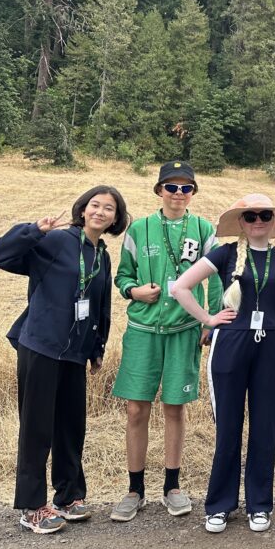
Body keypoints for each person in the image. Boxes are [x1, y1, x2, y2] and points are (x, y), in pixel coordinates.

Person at [0, 186, 129, 534]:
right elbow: (1, 256)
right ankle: (31, 506)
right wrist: (34, 230)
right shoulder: (57, 241)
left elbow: (100, 304)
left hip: (74, 352)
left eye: (108, 208)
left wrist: (97, 347)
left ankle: (69, 496)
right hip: (40, 344)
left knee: (70, 425)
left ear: (116, 218)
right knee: (37, 428)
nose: (100, 212)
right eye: (95, 205)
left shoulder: (102, 256)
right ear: (83, 210)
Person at [172, 193, 275, 534]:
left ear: (273, 220)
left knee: (264, 428)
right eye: (250, 216)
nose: (257, 220)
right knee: (228, 428)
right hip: (230, 344)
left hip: (270, 347)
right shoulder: (226, 253)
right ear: (241, 222)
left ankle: (259, 505)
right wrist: (208, 319)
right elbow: (181, 287)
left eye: (264, 214)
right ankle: (219, 505)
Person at [110, 161, 223, 522]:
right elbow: (123, 275)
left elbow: (218, 277)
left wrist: (212, 320)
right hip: (143, 331)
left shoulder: (204, 229)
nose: (178, 194)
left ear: (193, 193)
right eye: (171, 187)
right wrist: (133, 290)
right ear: (159, 191)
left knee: (175, 408)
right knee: (136, 409)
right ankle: (134, 489)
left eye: (185, 188)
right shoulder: (138, 229)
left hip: (183, 331)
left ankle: (172, 486)